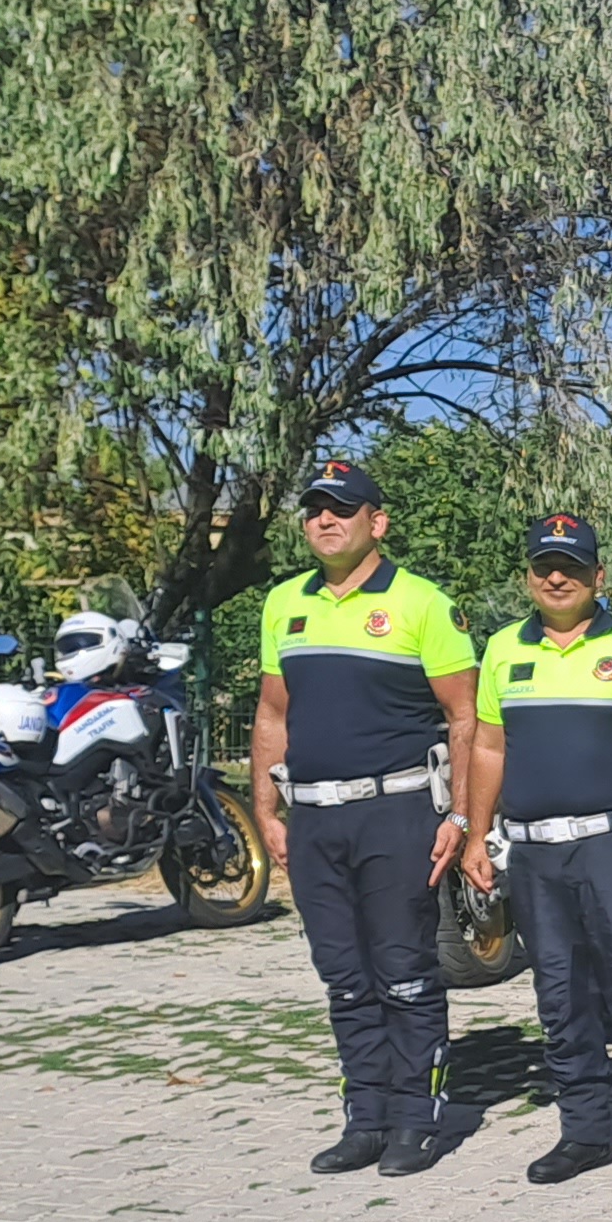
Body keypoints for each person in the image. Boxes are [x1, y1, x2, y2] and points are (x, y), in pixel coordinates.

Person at [249, 458, 480, 1178]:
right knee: (344, 976)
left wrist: (464, 816)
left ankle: (416, 1119)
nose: (325, 520)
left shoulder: (422, 604)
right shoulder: (283, 603)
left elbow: (467, 716)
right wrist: (265, 806)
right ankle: (365, 1117)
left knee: (404, 970)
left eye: (341, 509)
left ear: (375, 522)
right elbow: (272, 712)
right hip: (315, 819)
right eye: (315, 508)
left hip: (398, 811)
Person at [453, 511, 612, 1190]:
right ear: (528, 576)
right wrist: (476, 834)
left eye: (571, 565)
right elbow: (490, 747)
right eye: (543, 566)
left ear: (599, 575)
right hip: (535, 857)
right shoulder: (503, 650)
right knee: (559, 998)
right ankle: (585, 1130)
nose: (556, 576)